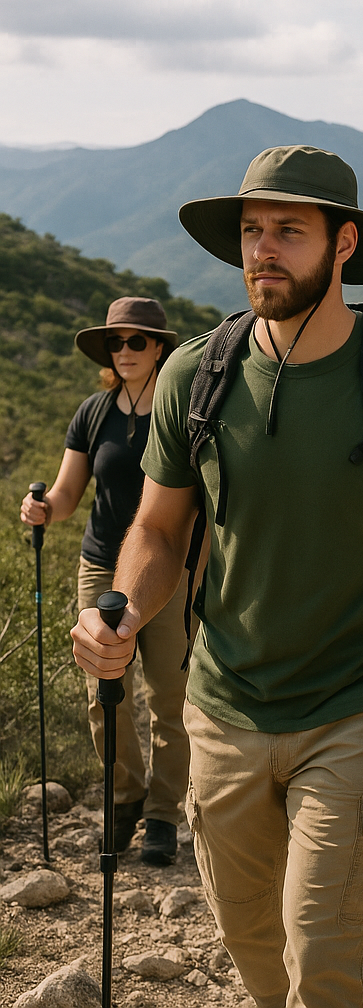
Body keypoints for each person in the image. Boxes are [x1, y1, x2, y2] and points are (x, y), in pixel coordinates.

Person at [70, 145, 363, 1008]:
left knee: (325, 960)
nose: (262, 250)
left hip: (360, 710)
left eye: (288, 232)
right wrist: (123, 611)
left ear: (343, 245)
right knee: (253, 945)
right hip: (223, 708)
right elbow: (156, 525)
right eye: (252, 231)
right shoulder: (197, 371)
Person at [20, 296, 188, 866]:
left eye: (136, 341)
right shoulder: (93, 412)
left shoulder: (183, 407)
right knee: (104, 694)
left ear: (159, 347)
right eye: (115, 342)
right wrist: (43, 509)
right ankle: (125, 797)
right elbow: (68, 496)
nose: (124, 351)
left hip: (168, 569)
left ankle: (164, 815)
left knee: (168, 694)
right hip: (100, 566)